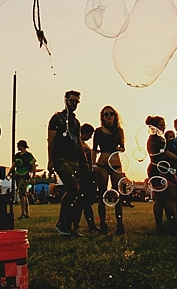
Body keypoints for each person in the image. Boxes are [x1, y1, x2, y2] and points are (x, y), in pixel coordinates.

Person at [47, 91, 86, 236]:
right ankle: (62, 223)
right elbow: (51, 140)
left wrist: (84, 161)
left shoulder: (76, 122)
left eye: (76, 101)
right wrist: (51, 160)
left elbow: (79, 142)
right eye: (72, 101)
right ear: (66, 101)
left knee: (76, 192)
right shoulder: (57, 118)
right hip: (61, 159)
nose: (74, 104)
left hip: (74, 159)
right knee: (72, 188)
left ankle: (70, 226)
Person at [92, 106, 126, 235]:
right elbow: (94, 149)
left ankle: (120, 224)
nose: (109, 116)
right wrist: (92, 164)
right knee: (102, 193)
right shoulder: (98, 131)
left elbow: (123, 147)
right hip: (102, 164)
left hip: (116, 163)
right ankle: (102, 224)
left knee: (118, 194)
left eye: (111, 114)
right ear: (102, 117)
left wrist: (120, 148)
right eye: (106, 114)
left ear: (115, 116)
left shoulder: (119, 131)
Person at [10, 140, 37, 219]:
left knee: (21, 193)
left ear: (22, 146)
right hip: (18, 175)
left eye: (18, 145)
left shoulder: (28, 155)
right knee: (23, 194)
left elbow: (33, 165)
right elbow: (14, 165)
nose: (17, 147)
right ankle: (27, 213)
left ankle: (23, 213)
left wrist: (33, 176)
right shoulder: (17, 155)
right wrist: (9, 173)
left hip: (25, 175)